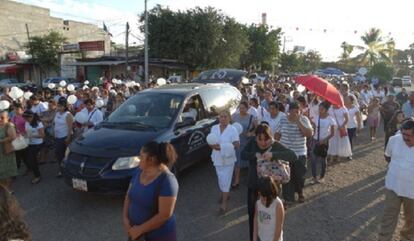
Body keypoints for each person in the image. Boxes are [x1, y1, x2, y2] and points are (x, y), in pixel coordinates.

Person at [241, 123, 296, 241]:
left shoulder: (275, 145)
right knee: (253, 215)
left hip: (271, 188)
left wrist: (273, 154)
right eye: (260, 139)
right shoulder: (252, 143)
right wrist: (254, 155)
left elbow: (293, 155)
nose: (263, 142)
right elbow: (242, 154)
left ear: (270, 136)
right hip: (254, 185)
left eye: (266, 139)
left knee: (272, 217)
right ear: (255, 138)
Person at [123, 142, 179, 241]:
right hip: (136, 233)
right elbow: (128, 195)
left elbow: (164, 215)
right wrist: (125, 218)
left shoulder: (167, 181)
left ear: (152, 159)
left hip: (159, 236)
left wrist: (139, 230)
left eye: (141, 156)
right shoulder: (139, 172)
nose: (138, 159)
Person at [379, 119, 414, 241]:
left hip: (412, 192)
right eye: (403, 133)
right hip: (393, 186)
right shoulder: (394, 140)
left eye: (408, 136)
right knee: (388, 216)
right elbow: (387, 155)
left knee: (411, 221)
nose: (404, 138)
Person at [275, 102, 313, 203]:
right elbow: (277, 134)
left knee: (299, 176)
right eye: (295, 111)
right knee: (287, 176)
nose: (297, 113)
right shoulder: (283, 119)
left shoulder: (304, 119)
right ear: (289, 111)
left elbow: (309, 134)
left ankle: (300, 192)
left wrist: (298, 122)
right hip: (285, 153)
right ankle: (288, 198)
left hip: (299, 153)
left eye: (298, 111)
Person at [208, 110, 240, 214]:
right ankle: (224, 194)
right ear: (219, 118)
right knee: (221, 178)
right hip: (217, 158)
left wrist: (222, 147)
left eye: (225, 116)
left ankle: (224, 204)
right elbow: (210, 141)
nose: (223, 118)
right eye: (221, 116)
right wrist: (213, 146)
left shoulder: (233, 129)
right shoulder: (214, 128)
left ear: (229, 118)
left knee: (226, 180)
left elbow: (237, 144)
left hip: (228, 160)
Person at [231, 101, 257, 188]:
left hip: (247, 142)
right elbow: (231, 128)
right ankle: (236, 181)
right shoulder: (234, 117)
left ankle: (251, 180)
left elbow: (257, 129)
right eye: (240, 108)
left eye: (243, 108)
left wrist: (251, 133)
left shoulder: (252, 117)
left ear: (247, 108)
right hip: (237, 142)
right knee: (237, 162)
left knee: (249, 161)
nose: (242, 110)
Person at [309, 101, 335, 184]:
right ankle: (314, 177)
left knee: (323, 160)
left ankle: (322, 176)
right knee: (313, 160)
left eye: (322, 109)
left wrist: (324, 140)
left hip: (324, 142)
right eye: (319, 108)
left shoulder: (330, 119)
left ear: (326, 110)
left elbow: (332, 133)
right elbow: (314, 128)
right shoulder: (317, 117)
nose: (320, 110)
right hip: (315, 140)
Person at [253, 176, 285, 241]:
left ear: (270, 194)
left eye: (264, 198)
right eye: (260, 195)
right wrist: (254, 238)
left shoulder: (278, 205)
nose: (261, 199)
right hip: (262, 238)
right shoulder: (258, 203)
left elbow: (278, 228)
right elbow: (256, 220)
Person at [23, 110, 44, 184]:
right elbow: (27, 131)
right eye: (25, 118)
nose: (26, 119)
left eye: (27, 118)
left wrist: (32, 135)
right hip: (29, 143)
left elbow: (42, 135)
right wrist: (23, 135)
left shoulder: (38, 123)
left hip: (37, 144)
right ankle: (33, 169)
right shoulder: (27, 122)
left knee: (32, 160)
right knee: (28, 158)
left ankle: (37, 176)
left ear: (32, 116)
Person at [53, 98, 73, 177]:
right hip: (57, 136)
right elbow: (55, 124)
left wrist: (68, 138)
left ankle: (66, 169)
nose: (59, 108)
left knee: (64, 154)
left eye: (61, 106)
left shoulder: (68, 114)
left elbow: (70, 127)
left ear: (65, 106)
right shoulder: (57, 113)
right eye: (58, 106)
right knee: (58, 154)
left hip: (64, 137)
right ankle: (61, 169)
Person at [0, 110, 18, 190]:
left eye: (2, 118)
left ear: (8, 118)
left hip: (5, 152)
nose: (0, 119)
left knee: (7, 172)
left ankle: (8, 190)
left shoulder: (9, 125)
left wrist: (1, 141)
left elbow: (13, 137)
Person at [11, 103, 28, 172]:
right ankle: (16, 169)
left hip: (26, 137)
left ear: (22, 109)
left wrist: (24, 133)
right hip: (18, 138)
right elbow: (12, 126)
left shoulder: (25, 116)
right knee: (18, 154)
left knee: (25, 155)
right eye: (15, 109)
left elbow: (29, 126)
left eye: (17, 109)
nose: (16, 111)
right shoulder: (14, 117)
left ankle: (29, 167)